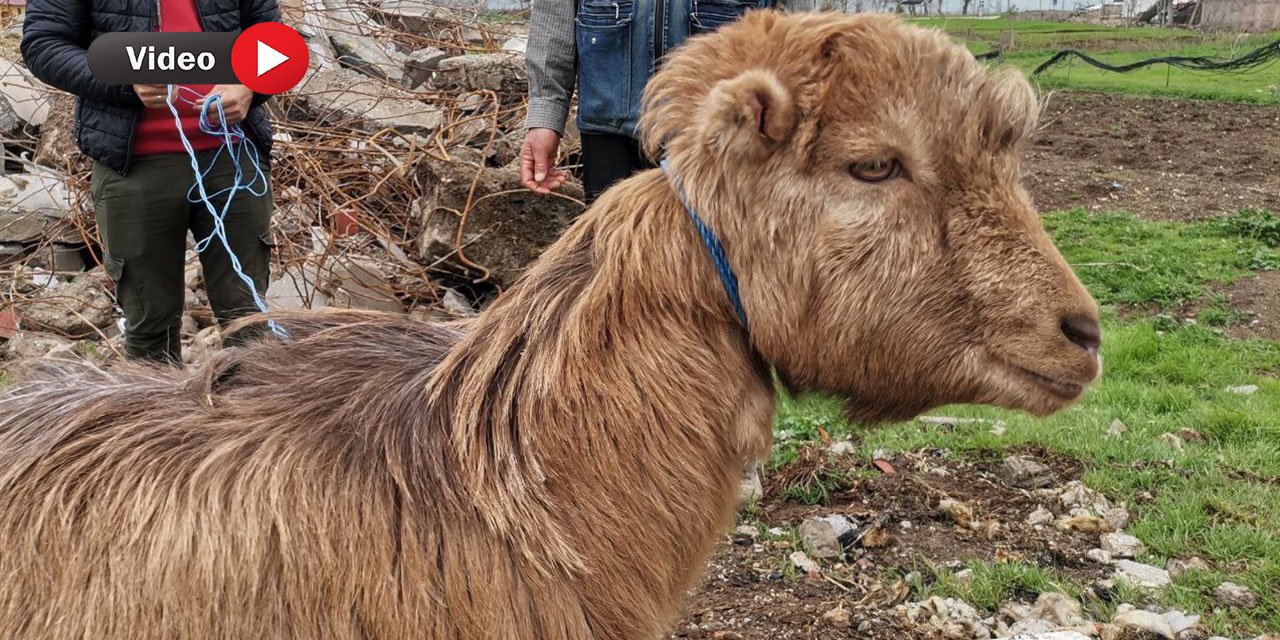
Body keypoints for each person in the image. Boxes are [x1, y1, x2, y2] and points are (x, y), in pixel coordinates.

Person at [21, 0, 280, 363]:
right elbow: (44, 43)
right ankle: (157, 417)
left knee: (248, 319)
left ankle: (254, 416)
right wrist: (123, 80)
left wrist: (249, 82)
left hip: (233, 161)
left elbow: (275, 40)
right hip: (134, 166)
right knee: (149, 323)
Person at [521, 0, 778, 204]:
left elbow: (795, 25)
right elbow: (554, 12)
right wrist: (546, 114)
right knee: (614, 256)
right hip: (609, 129)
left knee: (714, 261)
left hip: (718, 129)